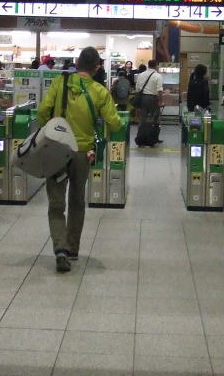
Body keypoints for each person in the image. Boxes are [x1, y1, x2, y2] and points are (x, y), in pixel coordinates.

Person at [37, 46, 120, 273]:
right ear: (97, 67)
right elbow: (114, 123)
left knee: (56, 204)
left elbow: (43, 111)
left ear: (76, 63)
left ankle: (60, 249)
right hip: (82, 153)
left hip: (57, 149)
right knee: (76, 201)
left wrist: (50, 129)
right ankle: (72, 249)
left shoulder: (59, 83)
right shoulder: (99, 91)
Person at [133, 59, 164, 142]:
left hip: (143, 98)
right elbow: (159, 90)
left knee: (142, 119)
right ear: (156, 65)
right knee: (155, 119)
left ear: (148, 65)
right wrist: (161, 101)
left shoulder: (141, 75)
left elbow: (137, 88)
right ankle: (153, 138)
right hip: (153, 99)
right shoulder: (158, 76)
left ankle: (140, 138)